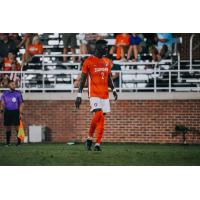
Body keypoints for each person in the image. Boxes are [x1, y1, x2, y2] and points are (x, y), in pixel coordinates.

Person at [75, 40, 118, 151]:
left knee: (101, 119)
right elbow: (83, 78)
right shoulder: (88, 61)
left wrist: (114, 89)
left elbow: (109, 77)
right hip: (94, 94)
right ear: (98, 47)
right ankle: (90, 138)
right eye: (105, 47)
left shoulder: (107, 61)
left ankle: (97, 143)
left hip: (105, 94)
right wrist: (79, 95)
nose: (106, 49)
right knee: (98, 114)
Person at [0, 80, 24, 146]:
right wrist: (1, 112)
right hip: (7, 112)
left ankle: (19, 143)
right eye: (12, 84)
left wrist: (21, 113)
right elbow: (2, 103)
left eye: (14, 84)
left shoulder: (18, 93)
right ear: (9, 85)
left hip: (15, 112)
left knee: (17, 127)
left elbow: (21, 104)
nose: (14, 86)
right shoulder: (4, 93)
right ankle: (8, 143)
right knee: (8, 127)